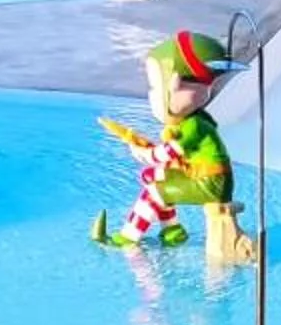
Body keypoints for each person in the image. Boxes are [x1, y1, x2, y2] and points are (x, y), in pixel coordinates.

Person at [92, 31, 236, 248]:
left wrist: (144, 153)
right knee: (150, 176)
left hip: (210, 183)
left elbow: (168, 153)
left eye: (154, 86)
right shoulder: (192, 121)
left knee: (154, 192)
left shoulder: (194, 125)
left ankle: (128, 237)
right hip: (202, 176)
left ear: (175, 83)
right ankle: (172, 229)